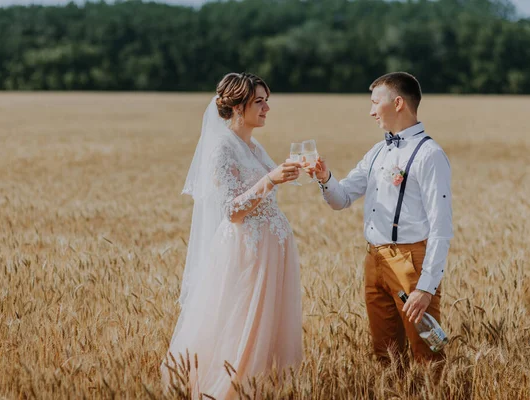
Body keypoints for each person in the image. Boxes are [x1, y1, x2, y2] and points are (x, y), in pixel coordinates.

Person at [161, 72, 303, 399]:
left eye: (267, 100)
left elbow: (261, 187)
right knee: (244, 323)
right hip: (247, 251)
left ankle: (267, 388)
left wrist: (283, 174)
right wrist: (271, 179)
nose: (268, 107)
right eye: (259, 101)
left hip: (273, 250)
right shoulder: (221, 148)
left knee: (270, 325)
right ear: (238, 107)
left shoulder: (251, 144)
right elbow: (232, 211)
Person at [312, 72, 453, 367]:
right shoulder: (378, 151)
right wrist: (325, 178)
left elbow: (441, 227)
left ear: (398, 103)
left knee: (427, 354)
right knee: (385, 355)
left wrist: (426, 287)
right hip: (374, 259)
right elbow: (342, 198)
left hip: (410, 263)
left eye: (376, 102)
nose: (371, 110)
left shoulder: (430, 155)